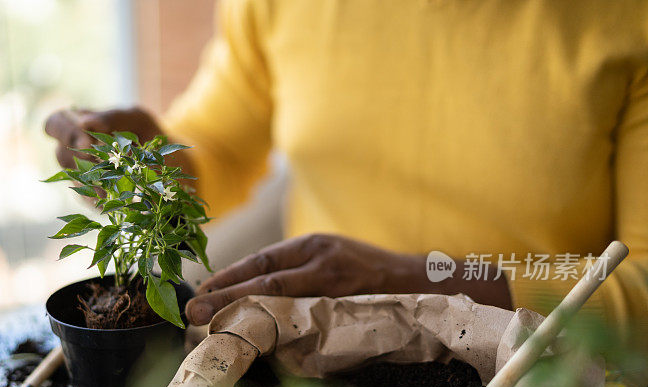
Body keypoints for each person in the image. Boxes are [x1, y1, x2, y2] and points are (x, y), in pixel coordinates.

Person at [46, 0, 648, 334]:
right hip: (327, 377)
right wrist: (139, 162)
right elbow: (218, 155)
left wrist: (414, 284)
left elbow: (641, 289)